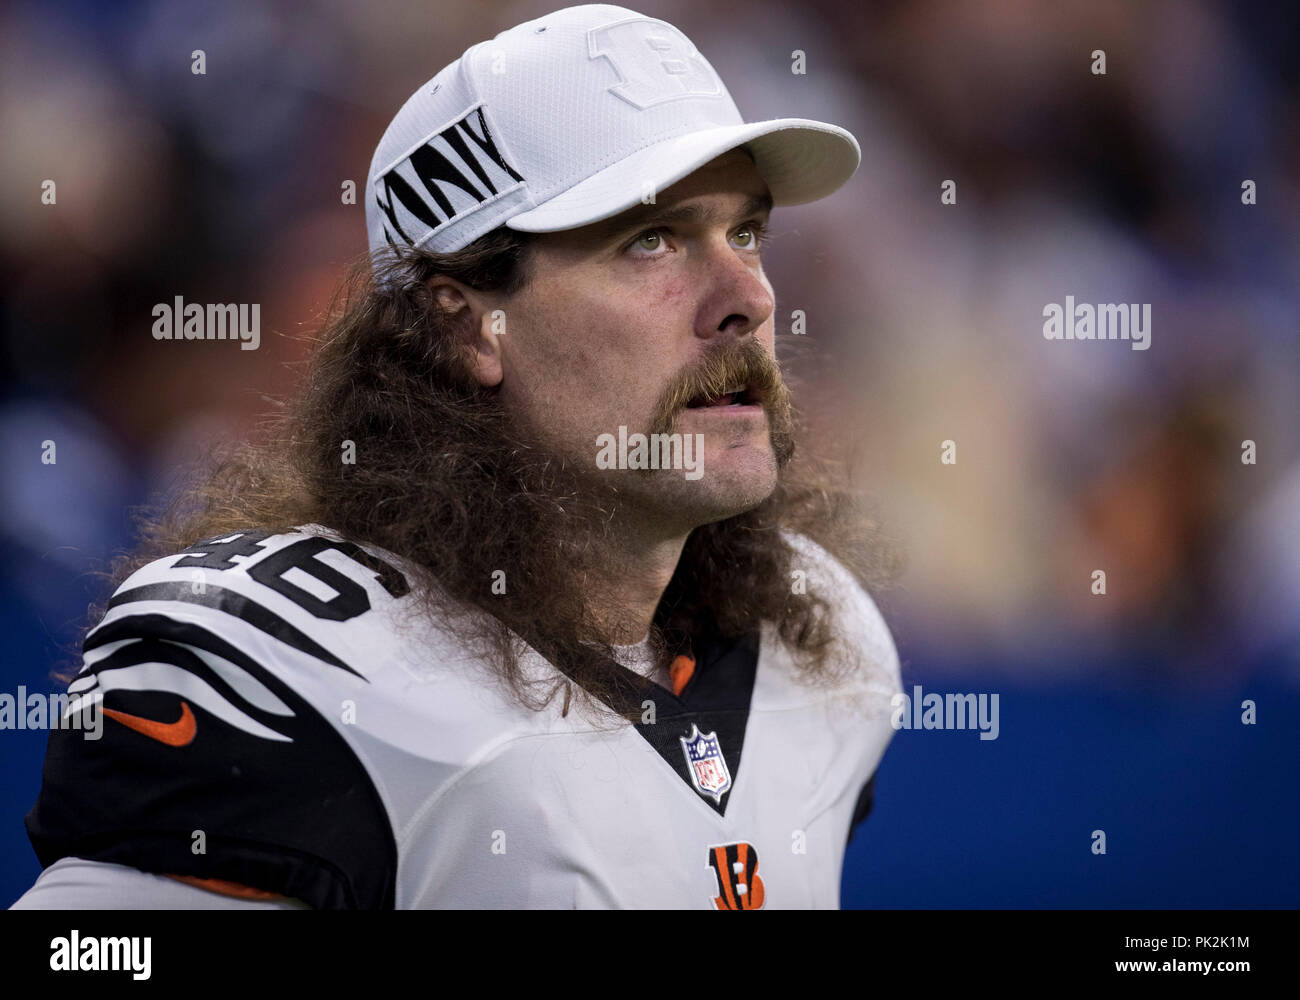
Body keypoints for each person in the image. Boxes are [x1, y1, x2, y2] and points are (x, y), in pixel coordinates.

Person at [14, 3, 900, 910]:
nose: (746, 296)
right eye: (653, 240)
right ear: (470, 324)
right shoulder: (295, 672)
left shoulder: (821, 638)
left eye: (746, 232)